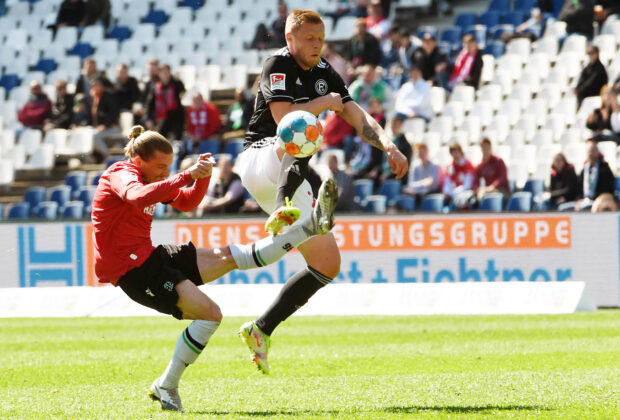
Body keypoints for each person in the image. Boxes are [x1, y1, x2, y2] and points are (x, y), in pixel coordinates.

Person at [91, 125, 338, 412]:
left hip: (151, 257)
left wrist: (202, 179)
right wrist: (185, 175)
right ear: (137, 160)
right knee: (211, 315)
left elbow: (187, 203)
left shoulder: (150, 177)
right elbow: (137, 196)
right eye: (159, 167)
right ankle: (166, 385)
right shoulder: (121, 174)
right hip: (134, 271)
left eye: (167, 168)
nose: (164, 173)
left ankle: (306, 228)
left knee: (231, 256)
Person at [234, 9, 407, 374]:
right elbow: (285, 120)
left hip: (290, 167)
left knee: (328, 264)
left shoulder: (325, 72)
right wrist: (324, 104)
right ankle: (284, 209)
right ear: (291, 38)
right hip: (261, 158)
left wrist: (388, 146)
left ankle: (261, 329)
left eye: (321, 38)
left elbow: (356, 114)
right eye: (310, 38)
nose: (318, 45)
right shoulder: (276, 65)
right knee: (307, 126)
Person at [146, 64, 185, 140]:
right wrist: (149, 119)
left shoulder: (176, 83)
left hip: (176, 114)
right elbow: (150, 104)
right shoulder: (156, 87)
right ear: (159, 74)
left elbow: (182, 91)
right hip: (163, 116)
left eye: (167, 72)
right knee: (160, 137)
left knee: (178, 137)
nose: (166, 74)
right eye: (164, 72)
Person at [576, 139, 615, 210]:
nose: (590, 153)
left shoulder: (604, 168)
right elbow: (579, 188)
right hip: (585, 199)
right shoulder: (584, 170)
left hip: (601, 199)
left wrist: (594, 197)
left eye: (593, 150)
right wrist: (580, 199)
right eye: (589, 151)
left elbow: (607, 188)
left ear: (597, 152)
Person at [443, 142, 476, 209]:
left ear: (461, 152)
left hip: (466, 195)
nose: (455, 155)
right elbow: (447, 184)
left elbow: (467, 185)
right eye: (453, 152)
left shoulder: (468, 165)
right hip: (452, 196)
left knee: (460, 200)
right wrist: (447, 192)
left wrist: (453, 192)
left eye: (457, 152)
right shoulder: (450, 166)